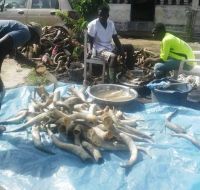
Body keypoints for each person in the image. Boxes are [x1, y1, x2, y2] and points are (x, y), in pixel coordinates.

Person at [0, 20, 42, 109]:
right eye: (34, 41)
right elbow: (2, 45)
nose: (32, 44)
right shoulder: (25, 33)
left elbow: (18, 57)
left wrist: (34, 65)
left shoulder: (19, 29)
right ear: (34, 36)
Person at [87, 5, 134, 83]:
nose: (101, 16)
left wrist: (121, 49)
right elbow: (90, 41)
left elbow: (115, 38)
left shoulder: (111, 24)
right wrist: (89, 50)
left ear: (107, 15)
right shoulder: (93, 24)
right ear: (98, 15)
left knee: (130, 47)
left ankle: (128, 70)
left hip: (110, 47)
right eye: (100, 15)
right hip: (99, 49)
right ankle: (112, 81)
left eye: (103, 15)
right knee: (113, 57)